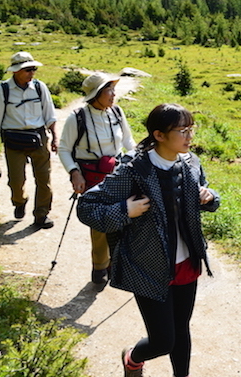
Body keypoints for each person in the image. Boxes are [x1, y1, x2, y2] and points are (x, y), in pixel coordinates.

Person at [77, 103, 219, 377]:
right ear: (159, 135)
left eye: (191, 129)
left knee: (181, 329)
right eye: (182, 130)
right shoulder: (133, 170)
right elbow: (87, 207)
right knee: (163, 340)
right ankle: (132, 358)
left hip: (186, 261)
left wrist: (210, 197)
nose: (189, 136)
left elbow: (203, 193)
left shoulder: (190, 162)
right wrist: (124, 211)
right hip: (147, 265)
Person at [58, 72, 136, 286]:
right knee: (101, 223)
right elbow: (64, 149)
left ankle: (117, 262)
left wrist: (139, 163)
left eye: (113, 89)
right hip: (92, 175)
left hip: (117, 172)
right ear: (96, 95)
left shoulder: (117, 112)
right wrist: (74, 172)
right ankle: (100, 266)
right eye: (109, 90)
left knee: (123, 216)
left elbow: (128, 141)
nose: (114, 94)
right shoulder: (78, 118)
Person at [0, 51, 58, 229]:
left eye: (33, 69)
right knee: (16, 181)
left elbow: (50, 114)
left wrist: (55, 137)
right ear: (15, 71)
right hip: (13, 140)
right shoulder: (2, 90)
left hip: (38, 138)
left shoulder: (40, 88)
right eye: (27, 70)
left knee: (44, 180)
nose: (31, 73)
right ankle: (19, 201)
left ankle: (41, 215)